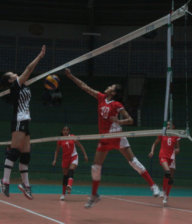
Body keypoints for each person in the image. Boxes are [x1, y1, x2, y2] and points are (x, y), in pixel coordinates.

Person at [65, 68, 160, 208]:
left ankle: (153, 187)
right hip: (104, 139)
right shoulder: (101, 98)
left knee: (134, 162)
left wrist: (119, 121)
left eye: (111, 87)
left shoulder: (117, 105)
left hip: (117, 136)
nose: (108, 87)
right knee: (95, 167)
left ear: (114, 92)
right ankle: (94, 195)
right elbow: (85, 87)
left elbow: (130, 120)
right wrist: (71, 76)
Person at [0, 45, 46, 199]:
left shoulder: (22, 84)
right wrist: (40, 56)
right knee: (15, 151)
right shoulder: (16, 84)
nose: (15, 73)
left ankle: (25, 185)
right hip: (19, 120)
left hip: (25, 120)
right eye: (12, 74)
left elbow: (28, 74)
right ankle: (4, 181)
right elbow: (29, 69)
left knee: (26, 155)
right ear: (11, 79)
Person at [52, 126, 88, 201]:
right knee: (65, 176)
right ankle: (63, 194)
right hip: (65, 159)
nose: (65, 131)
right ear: (62, 131)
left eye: (67, 130)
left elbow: (80, 145)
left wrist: (85, 155)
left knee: (71, 169)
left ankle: (69, 185)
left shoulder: (72, 137)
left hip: (73, 156)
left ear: (69, 131)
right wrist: (55, 160)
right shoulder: (60, 140)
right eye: (64, 130)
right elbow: (57, 151)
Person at [149, 122, 180, 206]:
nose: (168, 126)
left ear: (173, 126)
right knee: (167, 172)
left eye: (170, 125)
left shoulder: (175, 135)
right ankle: (163, 190)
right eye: (167, 125)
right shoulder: (163, 134)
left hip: (172, 158)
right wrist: (152, 151)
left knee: (170, 179)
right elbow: (155, 143)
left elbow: (178, 148)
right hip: (163, 156)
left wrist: (177, 150)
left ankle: (166, 196)